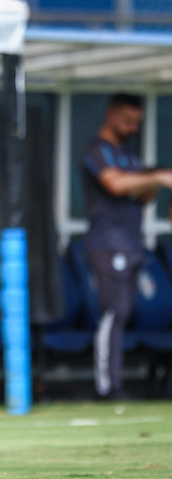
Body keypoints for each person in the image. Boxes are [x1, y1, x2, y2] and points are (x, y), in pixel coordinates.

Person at [81, 93, 172, 400]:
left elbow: (142, 195)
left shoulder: (130, 156)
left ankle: (116, 384)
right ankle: (108, 388)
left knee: (125, 312)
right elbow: (116, 184)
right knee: (113, 314)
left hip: (133, 244)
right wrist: (157, 176)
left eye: (137, 123)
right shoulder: (97, 150)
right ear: (112, 114)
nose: (133, 128)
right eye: (128, 121)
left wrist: (152, 183)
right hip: (107, 245)